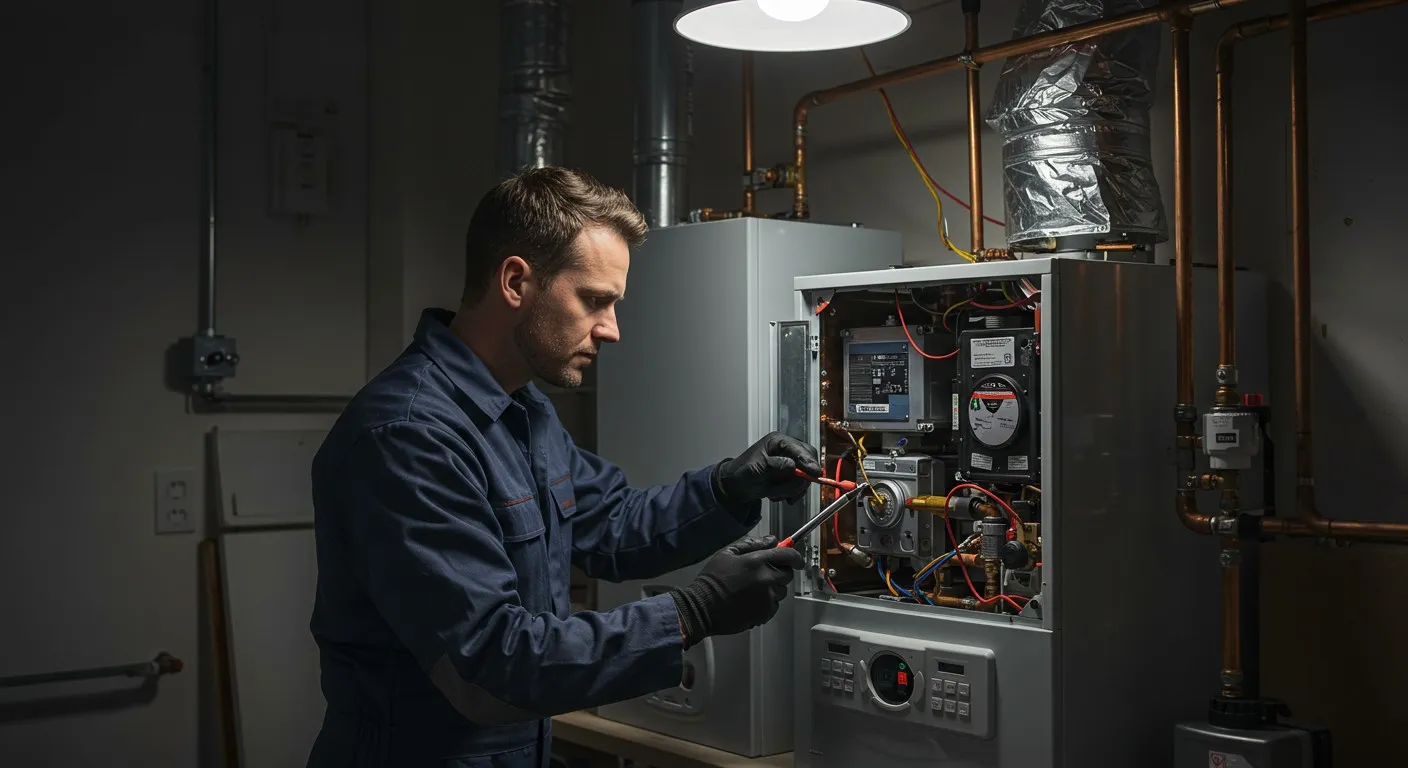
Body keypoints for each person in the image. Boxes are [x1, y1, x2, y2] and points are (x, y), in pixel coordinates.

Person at [306, 166, 820, 767]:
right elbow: (494, 667)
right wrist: (694, 611)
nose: (612, 330)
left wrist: (729, 487)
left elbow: (615, 526)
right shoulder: (410, 435)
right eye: (595, 300)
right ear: (517, 281)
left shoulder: (522, 409)